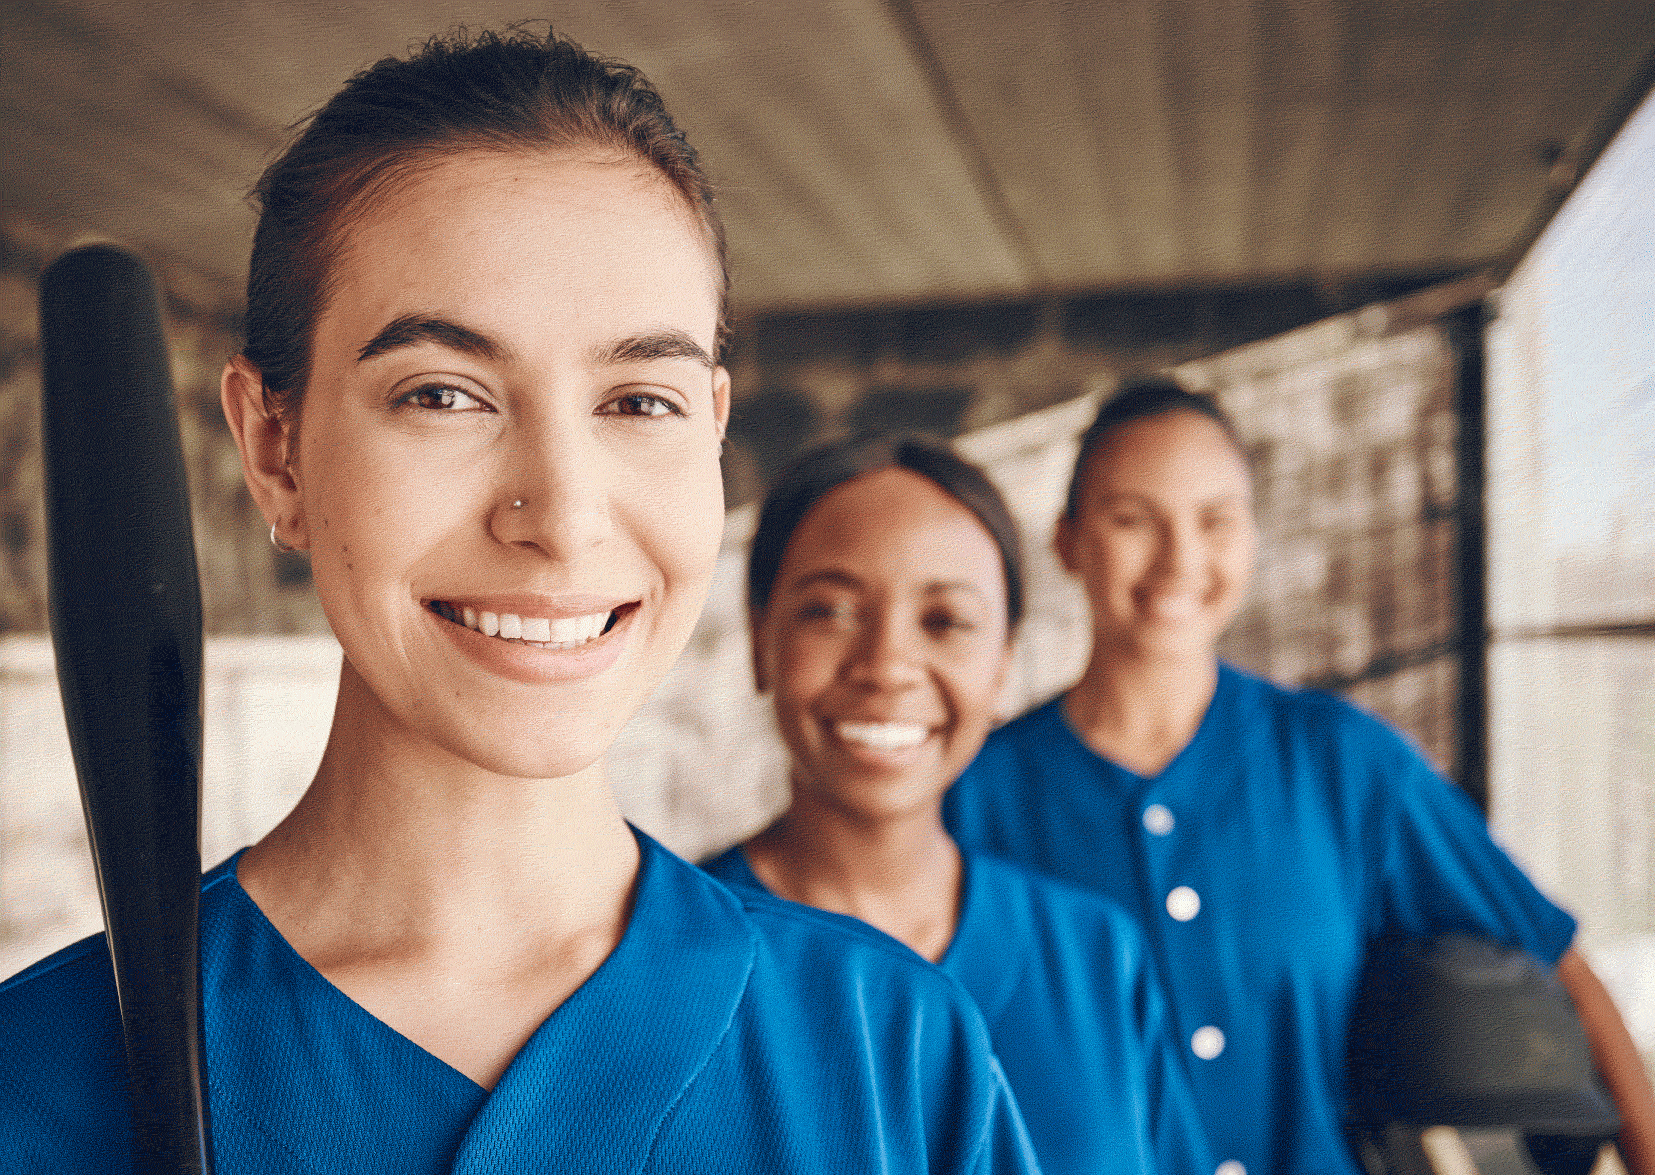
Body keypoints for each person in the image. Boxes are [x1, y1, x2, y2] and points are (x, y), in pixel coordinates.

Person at [0, 31, 1040, 1173]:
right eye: (443, 392)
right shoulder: (40, 1083)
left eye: (640, 400)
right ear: (275, 450)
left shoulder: (886, 1055)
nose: (561, 512)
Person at [943, 377, 1655, 1175]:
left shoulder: (1344, 763)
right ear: (1068, 542)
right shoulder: (973, 795)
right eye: (1131, 519)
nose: (1180, 557)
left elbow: (1559, 959)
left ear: (1251, 537)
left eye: (1216, 520)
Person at [702, 434, 1215, 1175]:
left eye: (944, 621)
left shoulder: (1095, 955)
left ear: (1005, 661)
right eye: (830, 611)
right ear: (759, 640)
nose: (885, 665)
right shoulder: (673, 963)